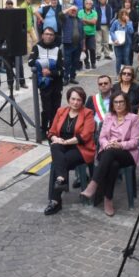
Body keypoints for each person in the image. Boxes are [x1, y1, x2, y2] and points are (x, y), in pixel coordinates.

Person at [78, 93, 139, 216]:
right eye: (116, 102)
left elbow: (135, 142)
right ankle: (108, 199)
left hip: (126, 153)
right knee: (113, 164)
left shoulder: (133, 118)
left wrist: (120, 145)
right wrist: (107, 144)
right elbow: (101, 138)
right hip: (108, 151)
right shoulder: (108, 117)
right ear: (112, 104)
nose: (118, 105)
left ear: (126, 103)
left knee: (111, 153)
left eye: (121, 102)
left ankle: (93, 185)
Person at [43, 87, 96, 216]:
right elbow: (51, 132)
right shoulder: (61, 111)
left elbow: (85, 136)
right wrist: (56, 138)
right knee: (55, 146)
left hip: (80, 148)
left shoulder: (88, 113)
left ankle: (55, 200)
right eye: (73, 99)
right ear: (68, 99)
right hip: (61, 146)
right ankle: (62, 179)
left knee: (59, 162)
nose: (75, 102)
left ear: (83, 101)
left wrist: (65, 142)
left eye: (79, 100)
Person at [28, 27, 63, 135]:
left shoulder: (58, 50)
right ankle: (44, 129)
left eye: (51, 34)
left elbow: (61, 69)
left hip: (56, 83)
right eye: (46, 34)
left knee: (56, 109)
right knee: (46, 109)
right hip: (44, 83)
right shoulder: (37, 47)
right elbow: (30, 62)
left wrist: (50, 72)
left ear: (54, 37)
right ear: (42, 35)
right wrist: (43, 65)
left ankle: (53, 130)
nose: (48, 36)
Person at [78, 0, 98, 70]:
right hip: (82, 34)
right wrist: (89, 21)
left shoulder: (94, 12)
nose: (88, 4)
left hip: (91, 33)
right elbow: (80, 22)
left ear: (92, 5)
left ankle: (93, 63)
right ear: (84, 4)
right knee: (84, 49)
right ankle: (87, 63)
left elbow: (94, 22)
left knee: (92, 49)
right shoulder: (80, 12)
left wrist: (84, 20)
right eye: (87, 3)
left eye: (90, 3)